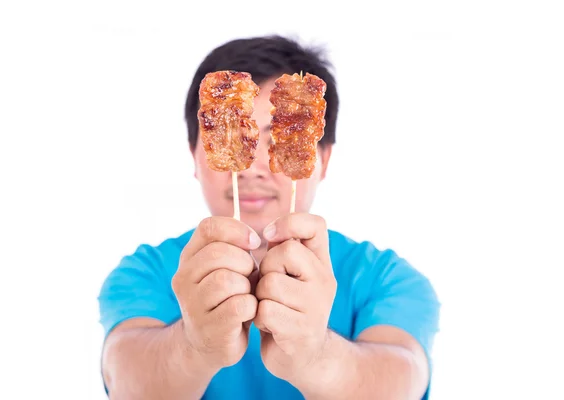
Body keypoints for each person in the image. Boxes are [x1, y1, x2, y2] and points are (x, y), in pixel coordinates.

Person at [98, 35, 441, 399]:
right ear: (194, 156)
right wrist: (193, 347)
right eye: (232, 136)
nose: (252, 169)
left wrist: (316, 357)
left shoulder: (385, 277)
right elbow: (125, 376)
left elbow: (403, 378)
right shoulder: (145, 272)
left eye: (275, 140)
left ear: (322, 160)